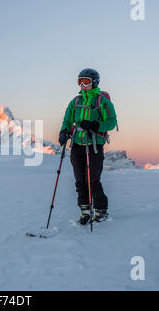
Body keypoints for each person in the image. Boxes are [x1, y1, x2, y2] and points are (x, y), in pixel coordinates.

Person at [59, 68, 117, 225]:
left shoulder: (102, 102)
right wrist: (64, 132)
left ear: (95, 83)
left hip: (94, 145)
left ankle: (100, 211)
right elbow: (67, 120)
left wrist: (96, 125)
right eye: (80, 81)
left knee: (93, 180)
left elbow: (112, 122)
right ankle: (85, 211)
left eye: (86, 81)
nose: (83, 85)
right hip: (77, 145)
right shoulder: (75, 102)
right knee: (80, 181)